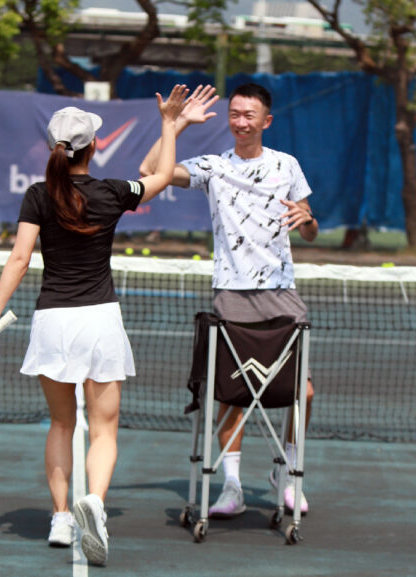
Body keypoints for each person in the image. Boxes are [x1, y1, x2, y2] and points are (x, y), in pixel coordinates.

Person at [0, 85, 189, 565]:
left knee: (60, 422)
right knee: (104, 428)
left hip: (52, 322)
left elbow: (19, 258)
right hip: (100, 321)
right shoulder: (114, 192)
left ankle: (60, 517)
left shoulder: (37, 194)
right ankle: (95, 503)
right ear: (95, 147)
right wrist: (170, 127)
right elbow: (157, 179)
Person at [139, 82, 318, 518]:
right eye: (234, 114)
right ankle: (232, 486)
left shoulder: (287, 165)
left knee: (304, 393)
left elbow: (311, 229)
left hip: (282, 294)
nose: (240, 122)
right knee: (232, 395)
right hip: (231, 295)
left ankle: (288, 471)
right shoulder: (213, 167)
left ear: (266, 121)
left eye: (248, 115)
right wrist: (175, 124)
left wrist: (308, 218)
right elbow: (149, 171)